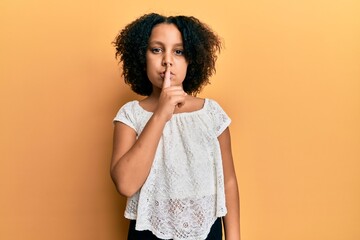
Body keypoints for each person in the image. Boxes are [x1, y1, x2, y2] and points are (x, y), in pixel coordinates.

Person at [110, 13, 240, 240]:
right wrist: (161, 113)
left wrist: (234, 237)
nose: (167, 60)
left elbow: (228, 180)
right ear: (142, 56)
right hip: (148, 231)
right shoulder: (130, 115)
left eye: (178, 51)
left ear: (192, 59)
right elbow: (126, 184)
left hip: (206, 230)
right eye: (157, 49)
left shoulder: (211, 114)